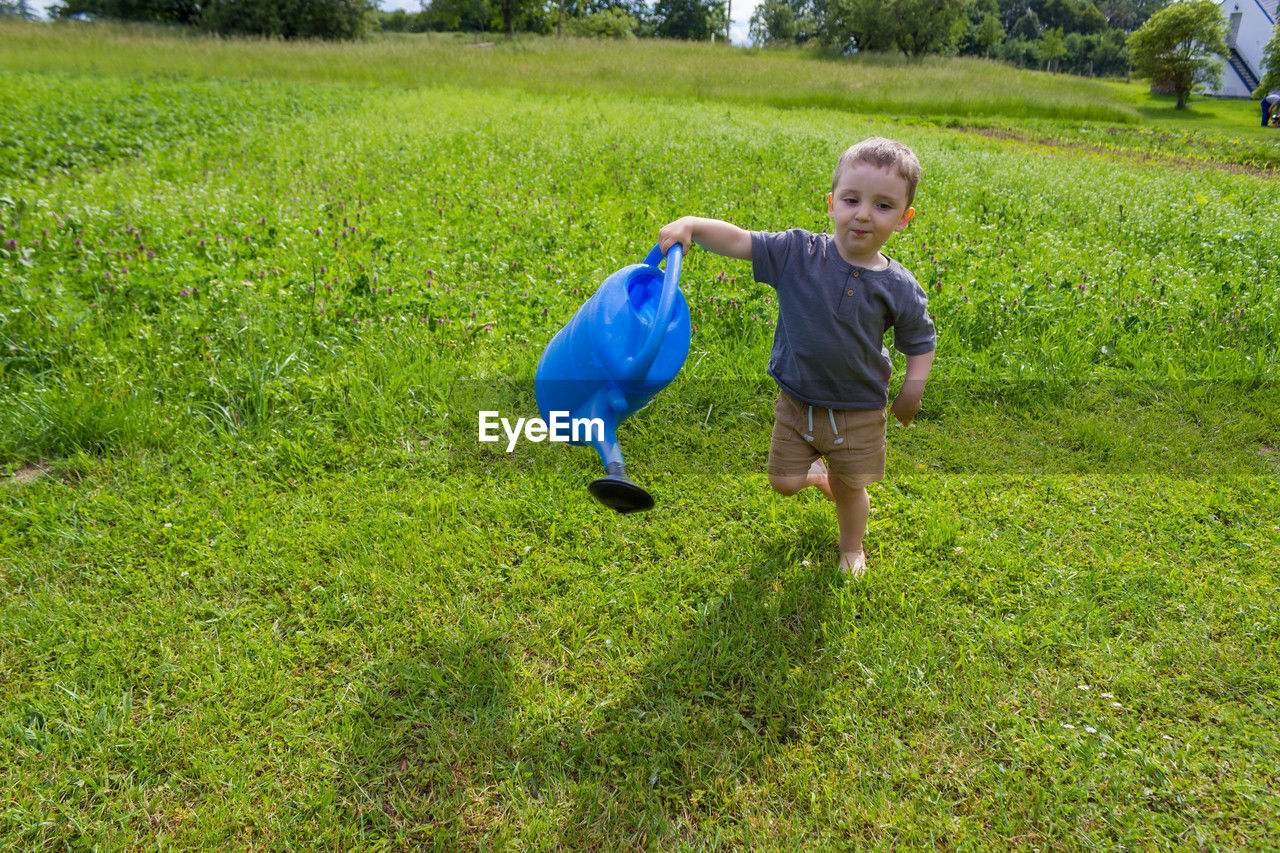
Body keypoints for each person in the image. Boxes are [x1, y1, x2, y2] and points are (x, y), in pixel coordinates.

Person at [658, 137, 936, 579]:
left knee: (850, 487)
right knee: (783, 482)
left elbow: (920, 341)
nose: (863, 213)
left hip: (860, 409)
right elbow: (740, 241)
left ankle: (851, 547)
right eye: (852, 199)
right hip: (797, 399)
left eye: (883, 206)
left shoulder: (899, 286)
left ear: (904, 219)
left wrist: (912, 389)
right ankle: (816, 474)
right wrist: (692, 224)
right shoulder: (797, 254)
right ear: (832, 204)